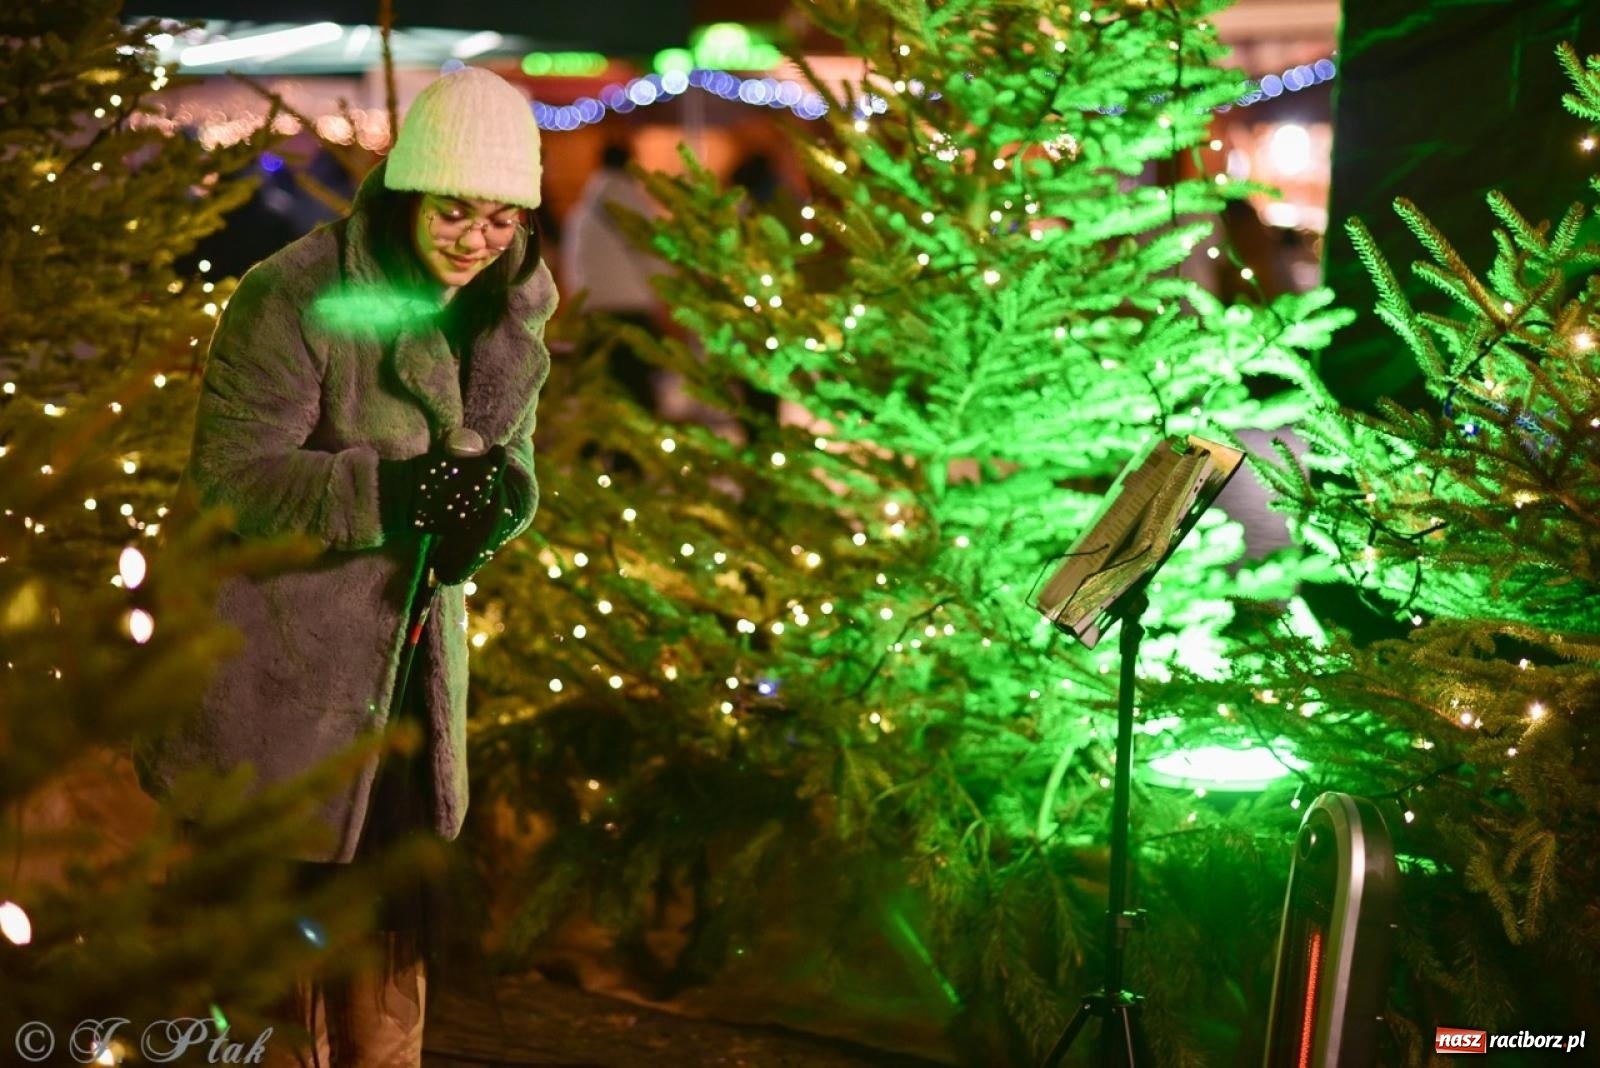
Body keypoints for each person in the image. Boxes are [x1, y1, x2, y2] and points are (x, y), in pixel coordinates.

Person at [136, 67, 557, 1066]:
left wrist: (486, 518)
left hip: (410, 689)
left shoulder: (507, 313)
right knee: (259, 981)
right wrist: (395, 497)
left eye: (502, 220)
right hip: (284, 688)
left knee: (385, 973)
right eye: (455, 212)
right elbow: (236, 479)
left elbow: (515, 469)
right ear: (410, 192)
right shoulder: (294, 293)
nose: (476, 240)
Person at [560, 140, 666, 411]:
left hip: (592, 311)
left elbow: (570, 263)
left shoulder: (583, 208)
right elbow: (654, 252)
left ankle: (607, 450)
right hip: (630, 309)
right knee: (637, 395)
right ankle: (631, 454)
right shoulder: (628, 203)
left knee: (602, 395)